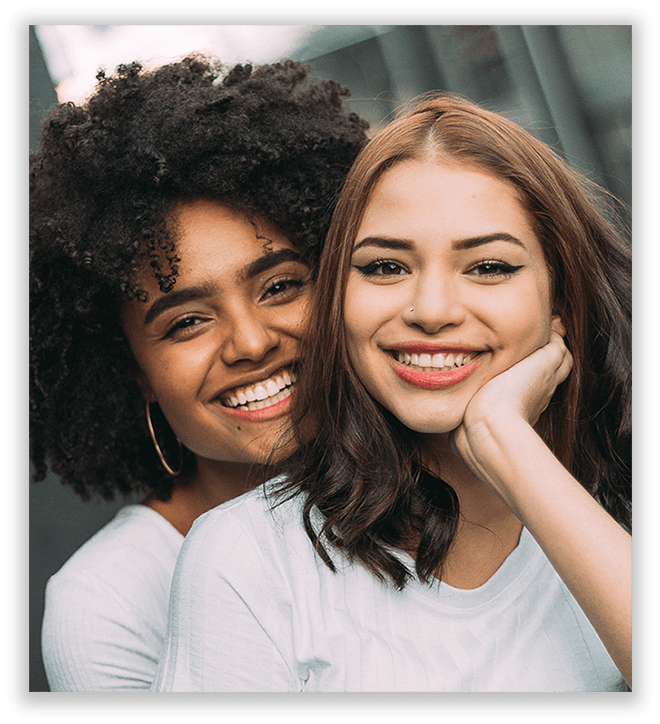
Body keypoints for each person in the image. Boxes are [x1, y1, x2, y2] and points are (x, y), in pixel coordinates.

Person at [152, 93, 631, 692]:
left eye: (488, 267)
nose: (431, 311)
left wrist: (506, 440)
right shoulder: (246, 558)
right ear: (336, 297)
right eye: (385, 267)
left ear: (561, 298)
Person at [30, 56, 368, 691]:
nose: (250, 342)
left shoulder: (443, 481)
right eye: (186, 322)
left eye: (279, 286)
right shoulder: (108, 603)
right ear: (133, 372)